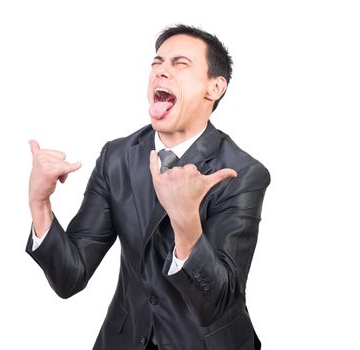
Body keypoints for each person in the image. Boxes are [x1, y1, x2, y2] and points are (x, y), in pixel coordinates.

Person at [26, 24, 270, 350]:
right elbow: (71, 276)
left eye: (180, 64)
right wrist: (39, 204)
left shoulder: (242, 173)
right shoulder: (117, 157)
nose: (161, 72)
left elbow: (216, 303)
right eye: (157, 63)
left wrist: (186, 223)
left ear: (215, 87)